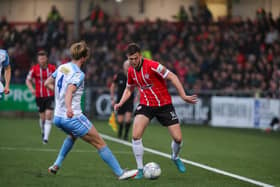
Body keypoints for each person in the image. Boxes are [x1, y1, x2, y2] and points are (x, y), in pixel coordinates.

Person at [44, 41, 137, 180]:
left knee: (72, 136)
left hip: (58, 118)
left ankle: (56, 165)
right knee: (100, 142)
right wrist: (69, 107)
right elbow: (70, 90)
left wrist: (61, 96)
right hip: (72, 116)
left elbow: (47, 83)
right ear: (83, 57)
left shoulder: (63, 67)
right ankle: (120, 173)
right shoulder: (78, 74)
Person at [114, 43, 197, 179]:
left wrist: (183, 95)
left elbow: (173, 77)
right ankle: (140, 169)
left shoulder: (153, 65)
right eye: (130, 59)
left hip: (164, 105)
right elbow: (129, 89)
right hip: (146, 105)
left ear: (140, 56)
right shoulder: (130, 71)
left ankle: (175, 157)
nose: (133, 61)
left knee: (178, 138)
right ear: (127, 58)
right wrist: (120, 103)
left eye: (135, 58)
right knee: (135, 135)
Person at [26, 50, 56, 144]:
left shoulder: (53, 68)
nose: (42, 60)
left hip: (50, 95)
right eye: (40, 58)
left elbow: (58, 79)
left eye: (43, 58)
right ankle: (43, 132)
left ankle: (46, 139)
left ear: (46, 59)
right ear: (38, 60)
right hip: (39, 96)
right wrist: (31, 89)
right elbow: (28, 80)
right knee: (42, 118)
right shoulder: (34, 69)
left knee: (48, 115)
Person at [110, 60, 134, 140]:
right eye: (126, 65)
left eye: (129, 65)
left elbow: (138, 86)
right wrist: (112, 98)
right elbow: (113, 86)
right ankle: (120, 132)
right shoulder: (119, 75)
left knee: (128, 119)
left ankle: (126, 135)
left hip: (130, 100)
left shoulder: (133, 75)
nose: (128, 67)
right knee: (120, 120)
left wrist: (138, 95)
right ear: (123, 66)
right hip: (120, 100)